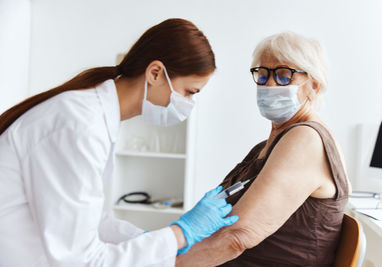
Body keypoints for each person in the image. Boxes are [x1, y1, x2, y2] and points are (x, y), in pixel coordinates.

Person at [0, 18, 238, 267]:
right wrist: (181, 234)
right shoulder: (79, 125)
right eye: (190, 92)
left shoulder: (95, 118)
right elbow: (82, 261)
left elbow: (91, 221)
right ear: (155, 73)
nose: (189, 104)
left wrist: (145, 239)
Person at [176, 32, 351, 267]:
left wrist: (162, 263)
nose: (269, 84)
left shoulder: (306, 139)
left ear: (314, 86)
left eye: (283, 76)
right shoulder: (267, 145)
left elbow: (237, 237)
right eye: (262, 74)